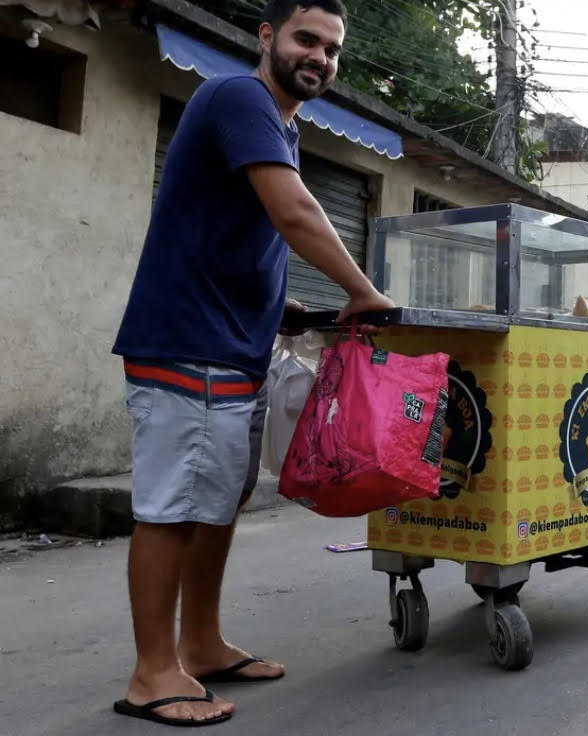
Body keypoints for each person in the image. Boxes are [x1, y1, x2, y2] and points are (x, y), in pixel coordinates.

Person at [110, 1, 395, 727]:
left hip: (234, 345)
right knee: (174, 509)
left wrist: (278, 312)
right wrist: (363, 291)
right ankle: (152, 673)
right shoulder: (240, 95)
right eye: (307, 39)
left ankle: (199, 644)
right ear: (267, 38)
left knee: (217, 503)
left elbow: (232, 235)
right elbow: (294, 213)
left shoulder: (281, 125)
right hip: (189, 345)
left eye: (332, 49)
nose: (320, 57)